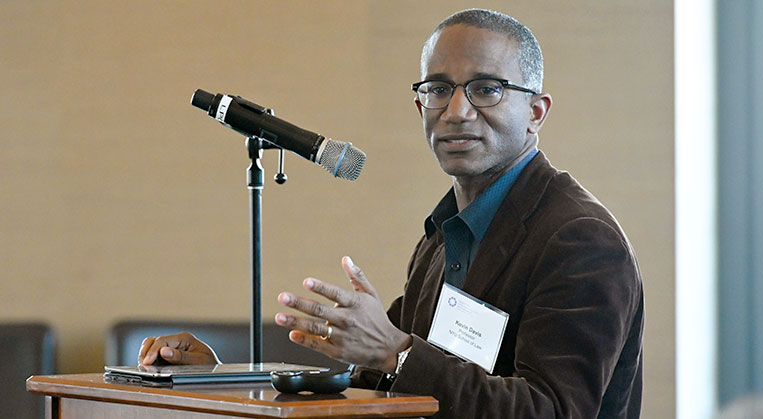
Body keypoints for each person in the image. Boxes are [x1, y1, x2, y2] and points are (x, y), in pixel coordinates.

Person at [139, 9, 644, 418]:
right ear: (420, 107)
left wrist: (395, 352)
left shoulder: (580, 239)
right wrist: (222, 376)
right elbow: (376, 385)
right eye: (438, 89)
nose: (456, 111)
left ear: (536, 112)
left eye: (486, 88)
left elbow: (551, 410)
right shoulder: (444, 233)